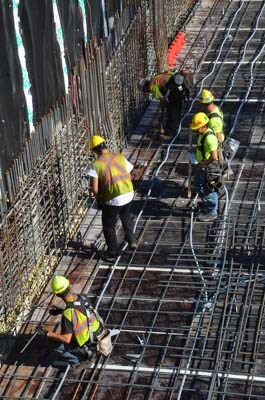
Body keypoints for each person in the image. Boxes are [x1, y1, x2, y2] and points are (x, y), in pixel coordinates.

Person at [36, 275, 103, 370]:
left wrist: (47, 333)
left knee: (53, 342)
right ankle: (87, 352)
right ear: (69, 286)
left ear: (57, 294)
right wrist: (61, 311)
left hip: (88, 344)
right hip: (98, 335)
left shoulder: (68, 313)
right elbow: (81, 312)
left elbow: (66, 339)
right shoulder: (82, 298)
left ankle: (79, 360)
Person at [88, 135, 137, 260]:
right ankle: (131, 238)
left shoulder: (96, 164)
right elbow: (129, 170)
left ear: (94, 150)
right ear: (105, 145)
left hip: (113, 199)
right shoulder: (118, 156)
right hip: (128, 192)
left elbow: (94, 188)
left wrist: (99, 200)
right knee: (125, 215)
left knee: (109, 226)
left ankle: (112, 253)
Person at [190, 112, 221, 222]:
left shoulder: (209, 138)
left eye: (197, 128)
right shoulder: (202, 135)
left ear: (204, 126)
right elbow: (203, 148)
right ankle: (207, 204)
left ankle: (212, 212)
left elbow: (214, 156)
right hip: (203, 165)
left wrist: (205, 164)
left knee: (209, 190)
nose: (195, 130)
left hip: (210, 168)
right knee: (197, 184)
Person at [139, 70, 189, 137]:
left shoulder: (152, 86)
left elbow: (162, 99)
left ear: (145, 88)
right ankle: (172, 128)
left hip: (175, 88)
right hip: (178, 84)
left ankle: (172, 132)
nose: (148, 92)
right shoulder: (155, 78)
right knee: (175, 106)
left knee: (172, 111)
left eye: (145, 91)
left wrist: (163, 112)